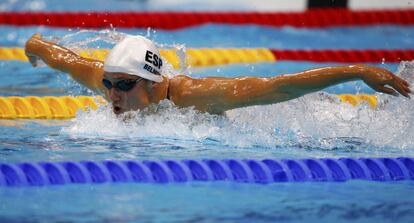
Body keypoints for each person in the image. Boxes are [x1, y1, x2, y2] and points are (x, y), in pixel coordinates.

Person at [25, 34, 411, 115]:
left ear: (155, 82)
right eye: (109, 84)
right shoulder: (105, 79)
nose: (111, 94)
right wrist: (35, 48)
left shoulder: (194, 96)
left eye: (124, 85)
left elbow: (278, 87)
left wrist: (358, 71)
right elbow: (60, 56)